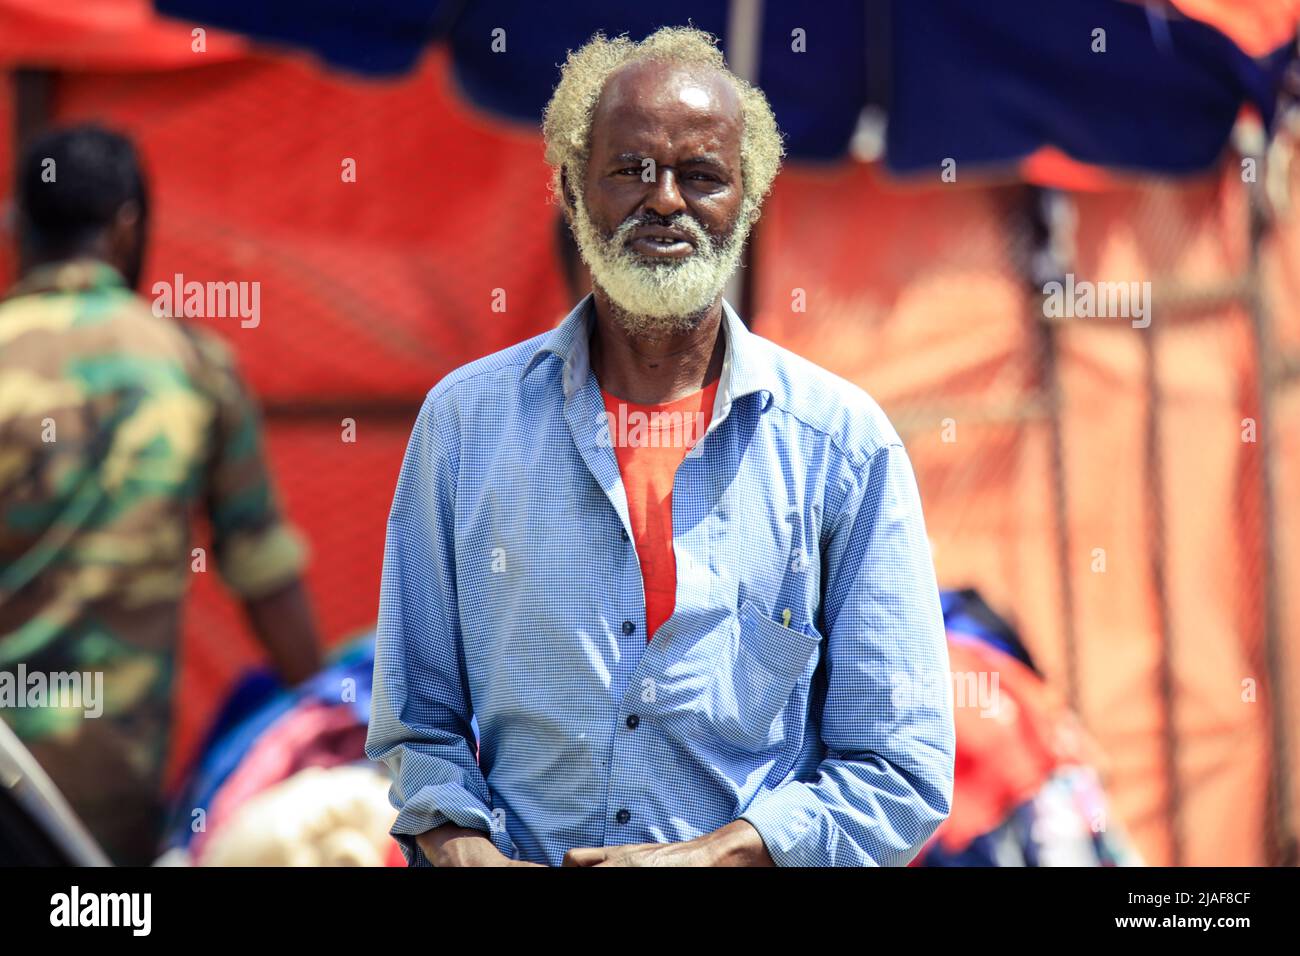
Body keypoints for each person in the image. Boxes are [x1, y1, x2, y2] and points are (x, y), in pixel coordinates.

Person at [367, 26, 954, 867]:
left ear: (746, 205)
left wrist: (715, 857)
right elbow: (418, 727)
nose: (666, 201)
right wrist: (469, 854)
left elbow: (902, 768)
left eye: (702, 176)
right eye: (631, 170)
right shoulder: (465, 427)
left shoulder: (840, 447)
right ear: (572, 194)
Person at [0, 124, 323, 865]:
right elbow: (267, 582)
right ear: (126, 226)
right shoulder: (189, 366)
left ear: (19, 226)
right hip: (110, 792)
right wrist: (337, 719)